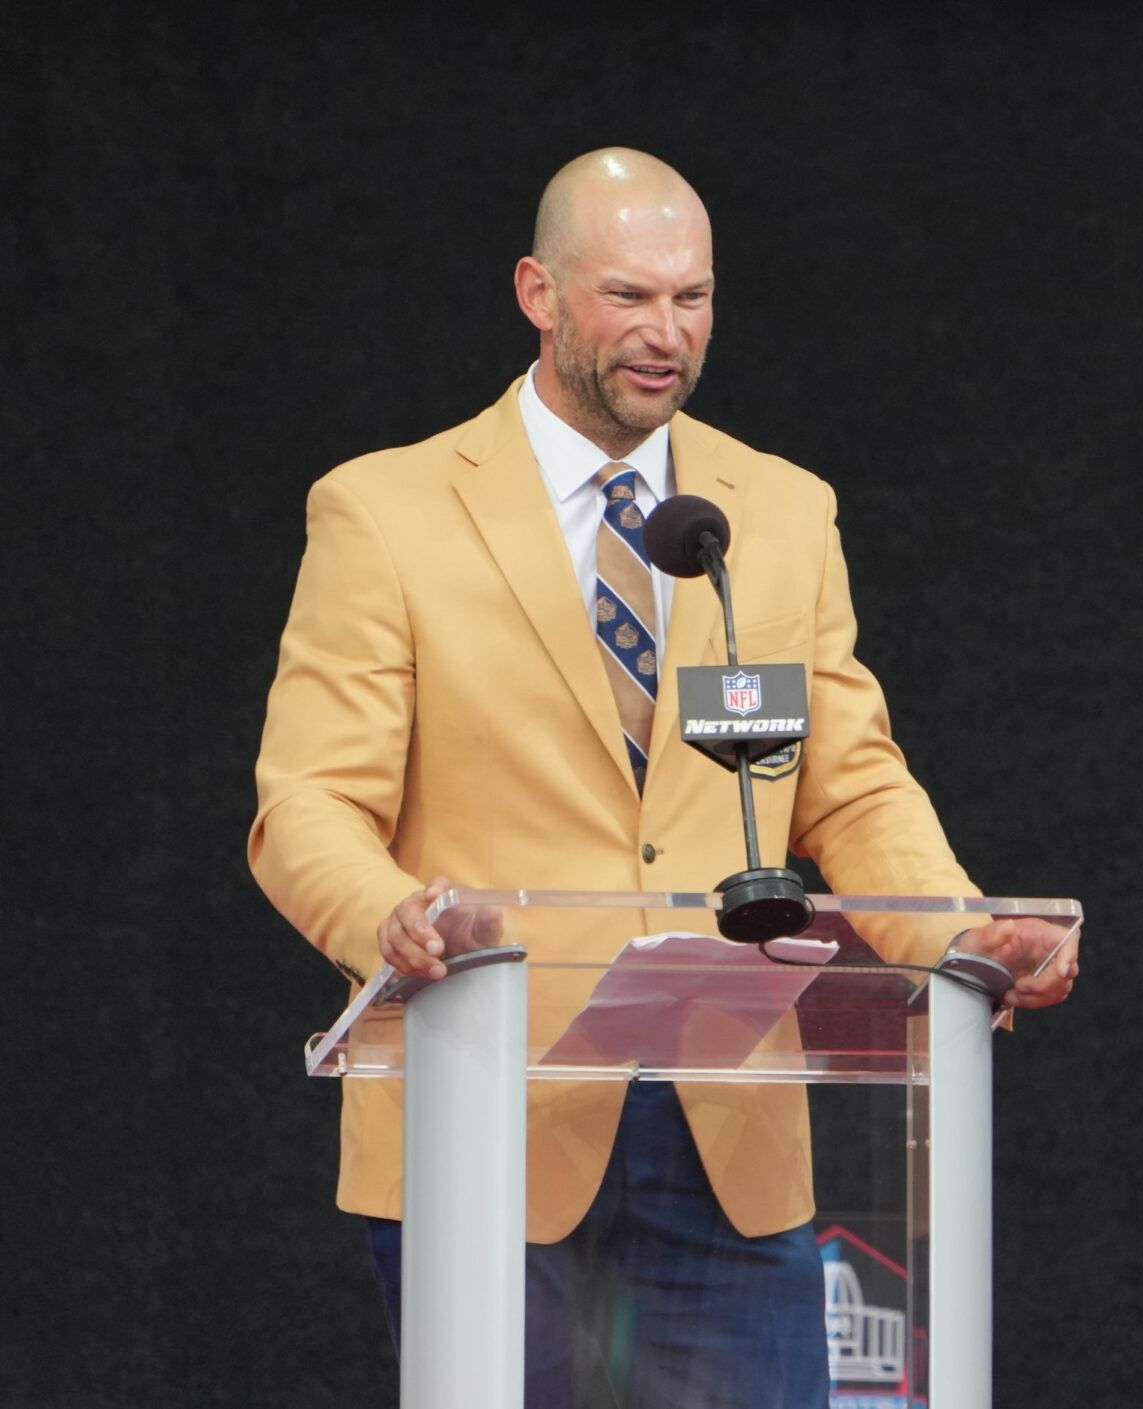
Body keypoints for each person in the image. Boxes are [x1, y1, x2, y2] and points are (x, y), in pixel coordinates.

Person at [249, 147, 1078, 1408]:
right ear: (538, 290)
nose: (668, 333)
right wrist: (390, 917)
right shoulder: (387, 511)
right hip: (489, 1114)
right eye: (630, 296)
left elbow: (849, 787)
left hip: (728, 1123)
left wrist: (963, 938)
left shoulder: (780, 511)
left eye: (693, 299)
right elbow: (308, 802)